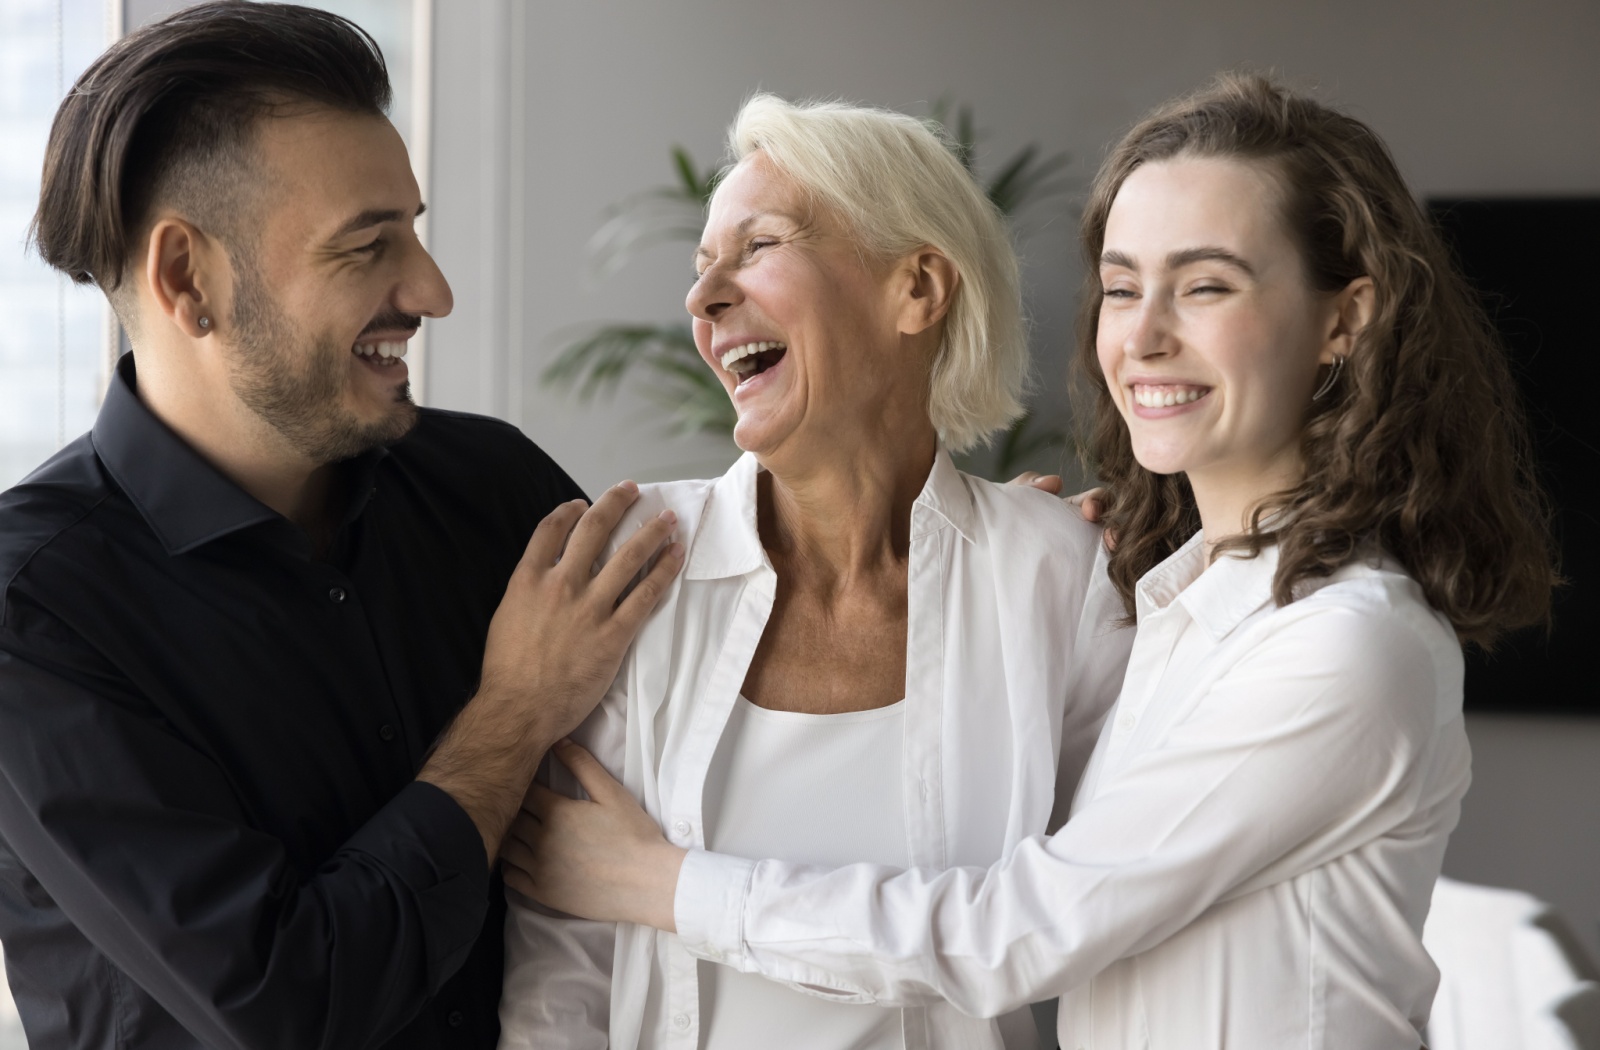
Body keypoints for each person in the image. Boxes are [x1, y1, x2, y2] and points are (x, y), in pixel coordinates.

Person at [509, 74, 1558, 1049]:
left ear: (1345, 318)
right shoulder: (1163, 600)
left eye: (1204, 286)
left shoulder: (1337, 644)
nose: (1142, 335)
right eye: (1120, 286)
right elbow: (559, 971)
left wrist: (662, 883)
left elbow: (1024, 927)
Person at [0, 4, 681, 1047]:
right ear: (188, 278)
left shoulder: (489, 483)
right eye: (368, 246)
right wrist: (511, 715)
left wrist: (961, 563)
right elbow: (287, 1003)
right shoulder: (33, 612)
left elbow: (707, 700)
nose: (432, 290)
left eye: (413, 228)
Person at [494, 95, 1132, 1049]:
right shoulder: (636, 567)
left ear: (917, 287)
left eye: (757, 247)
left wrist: (671, 887)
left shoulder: (1057, 579)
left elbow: (1093, 924)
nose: (702, 300)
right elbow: (562, 964)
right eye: (701, 264)